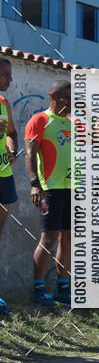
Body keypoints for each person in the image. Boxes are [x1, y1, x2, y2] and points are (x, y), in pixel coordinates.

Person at [25, 80, 73, 309]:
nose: (70, 102)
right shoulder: (40, 120)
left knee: (68, 237)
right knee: (49, 238)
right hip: (49, 188)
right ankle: (38, 288)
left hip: (71, 188)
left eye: (73, 98)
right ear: (53, 96)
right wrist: (35, 183)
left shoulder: (74, 123)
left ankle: (63, 287)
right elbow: (30, 154)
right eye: (66, 97)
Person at [0, 59, 18, 315]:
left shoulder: (4, 103)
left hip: (3, 175)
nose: (10, 80)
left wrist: (11, 150)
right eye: (5, 75)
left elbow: (12, 133)